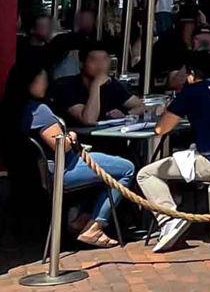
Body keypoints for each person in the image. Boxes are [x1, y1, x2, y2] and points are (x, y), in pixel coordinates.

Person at [6, 58, 137, 248]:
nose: (45, 84)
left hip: (36, 174)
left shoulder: (13, 111)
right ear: (31, 82)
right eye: (42, 80)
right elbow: (61, 146)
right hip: (63, 170)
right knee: (126, 168)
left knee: (106, 167)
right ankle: (95, 226)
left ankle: (81, 220)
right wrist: (71, 137)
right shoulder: (39, 110)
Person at [138, 49, 210, 254]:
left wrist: (166, 110)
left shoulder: (191, 92)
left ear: (190, 73)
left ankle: (169, 220)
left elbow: (161, 129)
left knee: (146, 174)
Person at [52, 41, 136, 126]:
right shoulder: (67, 86)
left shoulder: (111, 83)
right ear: (81, 64)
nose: (100, 65)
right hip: (79, 136)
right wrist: (96, 84)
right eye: (94, 60)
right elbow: (88, 120)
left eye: (104, 59)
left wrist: (126, 113)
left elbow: (141, 106)